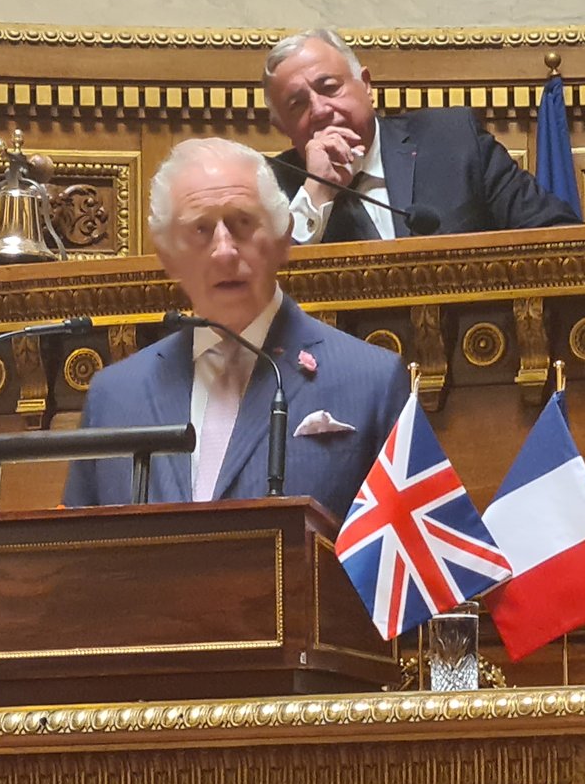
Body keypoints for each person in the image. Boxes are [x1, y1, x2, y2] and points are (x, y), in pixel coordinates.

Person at [63, 137, 409, 523]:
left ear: (282, 237)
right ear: (167, 256)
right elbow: (78, 567)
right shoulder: (115, 396)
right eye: (200, 230)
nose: (224, 251)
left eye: (243, 224)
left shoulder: (372, 381)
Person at [262, 28, 580, 243]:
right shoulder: (268, 189)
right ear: (283, 128)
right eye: (297, 104)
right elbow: (264, 296)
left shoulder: (454, 142)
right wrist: (316, 193)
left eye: (329, 88)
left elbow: (557, 235)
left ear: (367, 86)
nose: (319, 110)